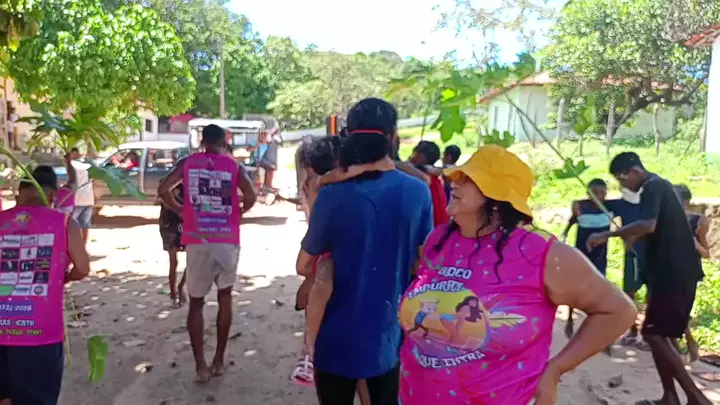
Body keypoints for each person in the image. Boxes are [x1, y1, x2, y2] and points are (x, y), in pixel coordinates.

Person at [398, 145, 636, 405]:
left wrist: (555, 369)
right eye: (458, 175)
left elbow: (619, 311)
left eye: (469, 179)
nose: (454, 182)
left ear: (498, 197)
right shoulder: (439, 240)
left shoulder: (541, 254)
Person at [296, 98, 433, 405]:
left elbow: (304, 265)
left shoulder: (332, 194)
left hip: (334, 338)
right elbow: (424, 263)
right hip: (389, 335)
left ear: (349, 136)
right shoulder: (417, 192)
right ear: (393, 136)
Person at [586, 152, 711, 405]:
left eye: (622, 179)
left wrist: (607, 235)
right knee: (659, 334)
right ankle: (670, 397)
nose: (623, 186)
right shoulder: (658, 187)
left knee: (654, 334)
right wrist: (636, 237)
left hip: (673, 272)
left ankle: (697, 398)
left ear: (633, 171)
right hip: (669, 271)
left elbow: (649, 224)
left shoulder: (653, 186)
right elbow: (657, 227)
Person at [290, 136, 392, 405]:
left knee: (322, 284)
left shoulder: (329, 185)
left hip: (330, 249)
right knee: (321, 283)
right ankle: (308, 347)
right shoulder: (328, 184)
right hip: (328, 248)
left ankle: (308, 348)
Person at [158, 124, 257, 383]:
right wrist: (240, 212)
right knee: (225, 296)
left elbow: (163, 189)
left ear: (203, 142)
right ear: (224, 142)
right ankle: (219, 360)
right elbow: (251, 194)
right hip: (226, 238)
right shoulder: (233, 166)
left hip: (197, 238)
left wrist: (181, 209)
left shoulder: (189, 163)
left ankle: (201, 366)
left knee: (196, 302)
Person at [0, 170, 91, 405]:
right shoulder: (65, 223)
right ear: (52, 195)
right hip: (39, 333)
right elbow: (83, 268)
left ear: (18, 194)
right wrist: (65, 278)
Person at [560, 178, 614, 340]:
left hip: (600, 256)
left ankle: (601, 329)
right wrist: (565, 233)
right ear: (588, 193)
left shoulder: (610, 208)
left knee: (600, 290)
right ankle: (570, 319)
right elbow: (572, 220)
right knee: (575, 288)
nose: (599, 195)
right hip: (581, 255)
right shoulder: (580, 206)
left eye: (602, 192)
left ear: (606, 193)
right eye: (594, 192)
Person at [673, 184, 707, 363]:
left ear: (686, 202)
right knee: (670, 309)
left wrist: (694, 244)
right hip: (668, 271)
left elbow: (706, 253)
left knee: (681, 311)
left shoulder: (698, 221)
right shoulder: (665, 220)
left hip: (689, 273)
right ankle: (678, 348)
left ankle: (690, 343)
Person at [157, 179, 187, 308]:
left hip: (185, 224)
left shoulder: (188, 186)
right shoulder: (166, 182)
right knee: (173, 262)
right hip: (169, 225)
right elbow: (158, 199)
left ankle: (180, 287)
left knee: (192, 259)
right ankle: (173, 293)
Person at [409, 141, 449, 226]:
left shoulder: (420, 178)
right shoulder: (434, 177)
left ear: (422, 156)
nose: (411, 156)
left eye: (415, 152)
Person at [69, 148, 95, 244]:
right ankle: (83, 246)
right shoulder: (88, 165)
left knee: (71, 224)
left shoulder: (71, 165)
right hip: (88, 198)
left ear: (73, 153)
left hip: (76, 199)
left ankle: (74, 245)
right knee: (85, 225)